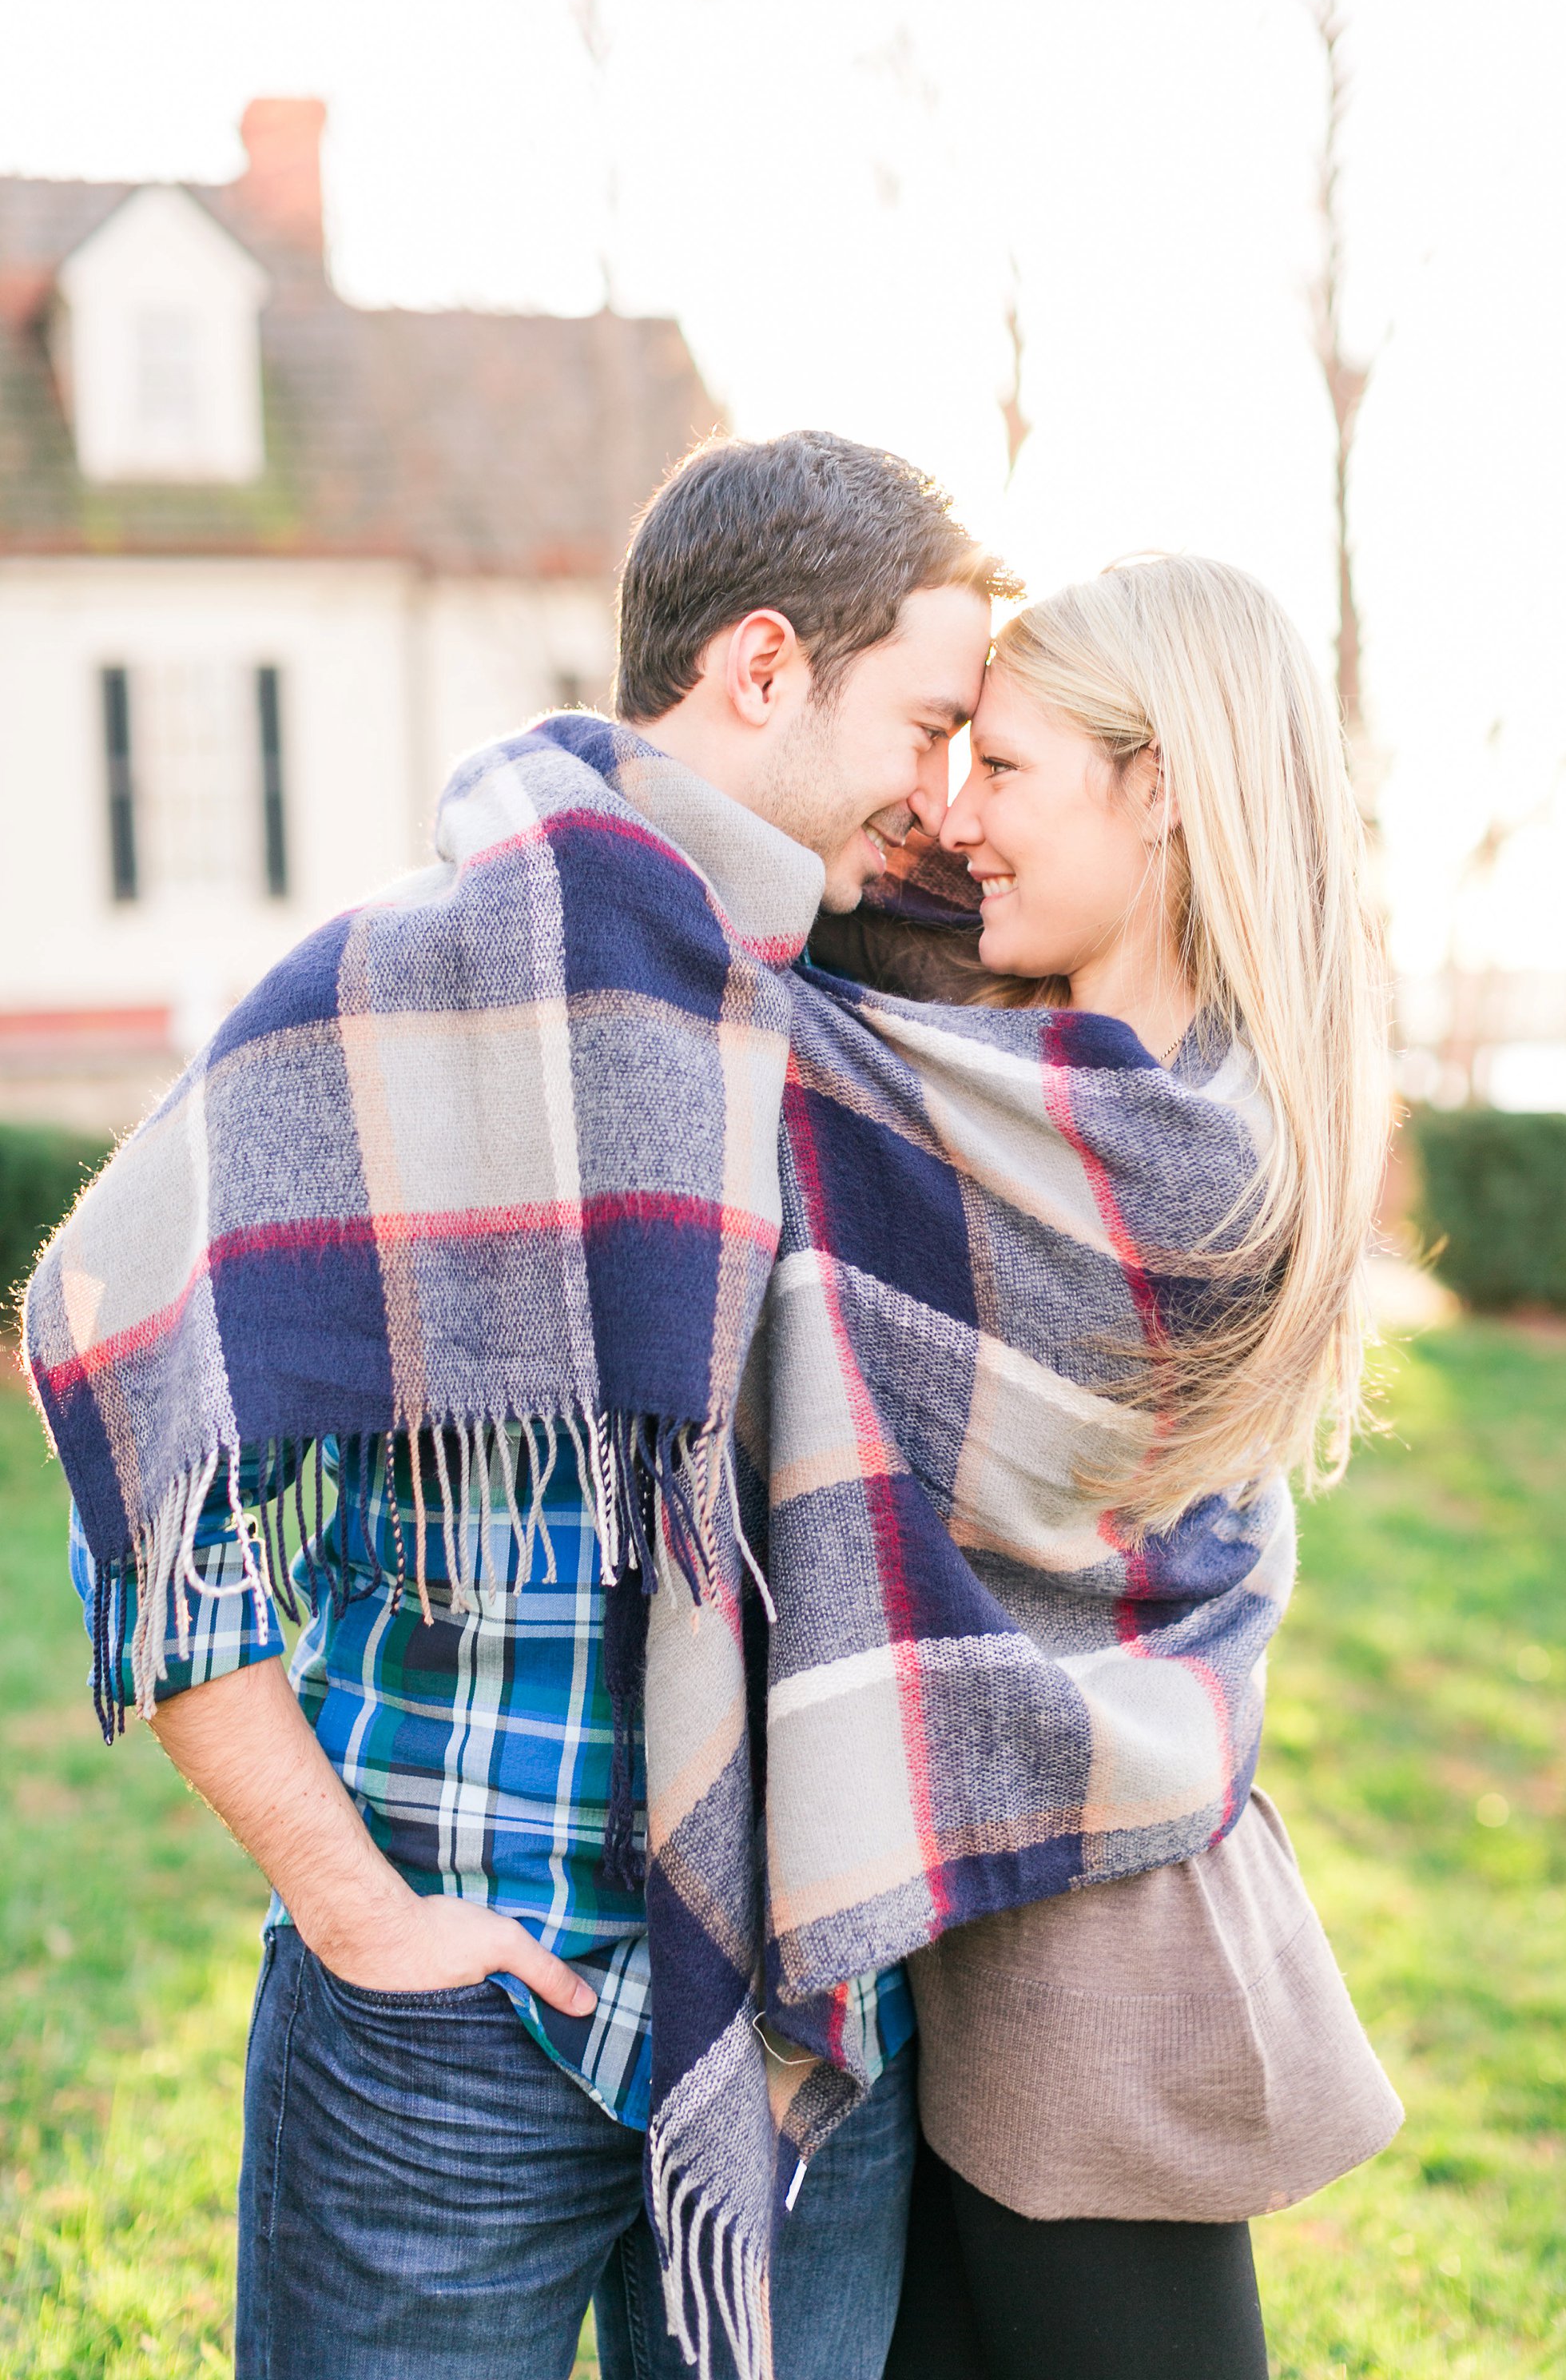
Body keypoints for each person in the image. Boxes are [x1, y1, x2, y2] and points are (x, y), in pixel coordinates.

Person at [30, 430, 1011, 2380]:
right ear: (760, 672)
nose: (942, 794)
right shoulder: (403, 990)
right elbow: (123, 1375)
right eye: (926, 720)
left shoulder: (886, 1029)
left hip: (810, 2034)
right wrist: (353, 1903)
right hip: (442, 2030)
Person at [841, 557, 1403, 2380]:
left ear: (1158, 788)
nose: (955, 815)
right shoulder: (1074, 1078)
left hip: (1098, 1962)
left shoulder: (1146, 1162)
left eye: (1003, 769)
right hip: (963, 1924)